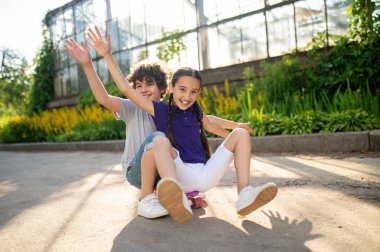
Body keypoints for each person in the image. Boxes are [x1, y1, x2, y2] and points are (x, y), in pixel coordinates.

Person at [87, 26, 278, 224]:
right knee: (159, 140)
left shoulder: (194, 109)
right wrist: (107, 55)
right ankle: (174, 195)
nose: (187, 96)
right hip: (179, 172)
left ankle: (244, 194)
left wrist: (235, 128)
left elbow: (210, 122)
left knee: (240, 134)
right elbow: (125, 89)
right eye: (182, 90)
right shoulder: (160, 110)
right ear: (171, 88)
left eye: (193, 92)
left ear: (198, 93)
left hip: (205, 176)